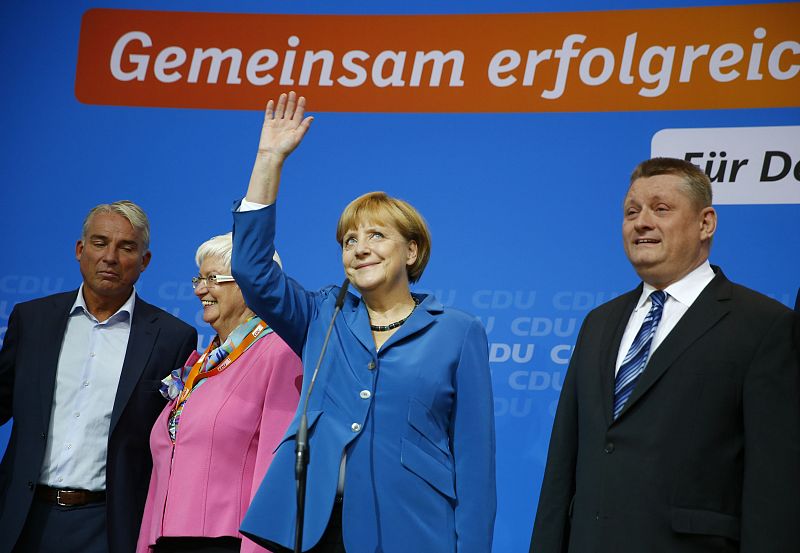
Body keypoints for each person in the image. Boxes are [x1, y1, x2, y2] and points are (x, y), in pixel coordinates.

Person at [230, 92, 496, 553]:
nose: (360, 247)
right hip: (316, 530)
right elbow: (252, 271)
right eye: (349, 239)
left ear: (411, 251)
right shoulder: (320, 315)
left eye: (376, 235)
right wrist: (268, 161)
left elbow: (475, 463)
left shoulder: (456, 331)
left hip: (412, 531)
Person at [530, 158, 800, 553]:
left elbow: (775, 484)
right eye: (631, 211)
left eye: (661, 209)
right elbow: (562, 466)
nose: (641, 222)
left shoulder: (764, 324)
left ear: (705, 223)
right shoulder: (598, 323)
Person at [0, 201, 197, 553]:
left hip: (109, 525)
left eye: (126, 247)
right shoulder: (32, 320)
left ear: (144, 261)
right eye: (100, 242)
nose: (110, 257)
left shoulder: (172, 338)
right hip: (21, 517)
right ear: (80, 250)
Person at [137, 233, 302, 553]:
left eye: (213, 278)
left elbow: (275, 471)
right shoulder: (200, 363)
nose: (200, 289)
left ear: (251, 284)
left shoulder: (279, 353)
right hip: (166, 542)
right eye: (199, 278)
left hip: (227, 543)